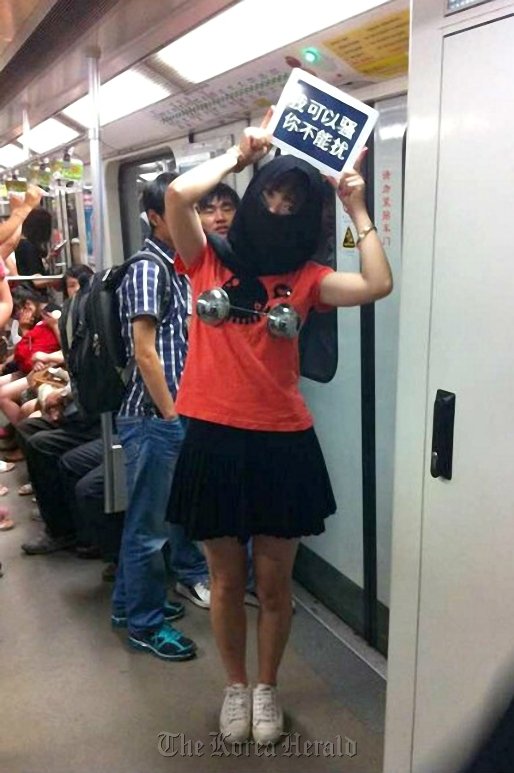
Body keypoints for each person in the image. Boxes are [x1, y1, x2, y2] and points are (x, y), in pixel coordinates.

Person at [164, 112, 393, 744]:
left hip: (281, 438)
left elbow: (378, 282)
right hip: (214, 434)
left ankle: (266, 688)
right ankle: (234, 688)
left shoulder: (309, 279)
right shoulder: (205, 259)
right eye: (273, 193)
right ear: (256, 196)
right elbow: (179, 196)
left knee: (272, 582)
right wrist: (241, 158)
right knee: (227, 581)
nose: (281, 206)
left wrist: (356, 205)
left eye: (295, 201)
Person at [112, 172, 208, 662]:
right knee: (149, 531)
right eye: (183, 208)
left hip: (167, 415)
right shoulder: (149, 269)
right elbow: (146, 353)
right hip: (153, 419)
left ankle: (128, 605)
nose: (194, 217)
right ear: (155, 217)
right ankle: (145, 626)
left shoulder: (177, 265)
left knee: (147, 523)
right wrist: (172, 416)